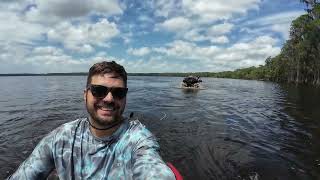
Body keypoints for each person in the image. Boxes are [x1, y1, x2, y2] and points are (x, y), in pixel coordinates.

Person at [8, 61, 176, 180]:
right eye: (99, 90)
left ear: (125, 96)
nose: (109, 98)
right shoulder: (61, 137)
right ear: (85, 94)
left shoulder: (138, 139)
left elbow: (152, 167)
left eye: (118, 93)